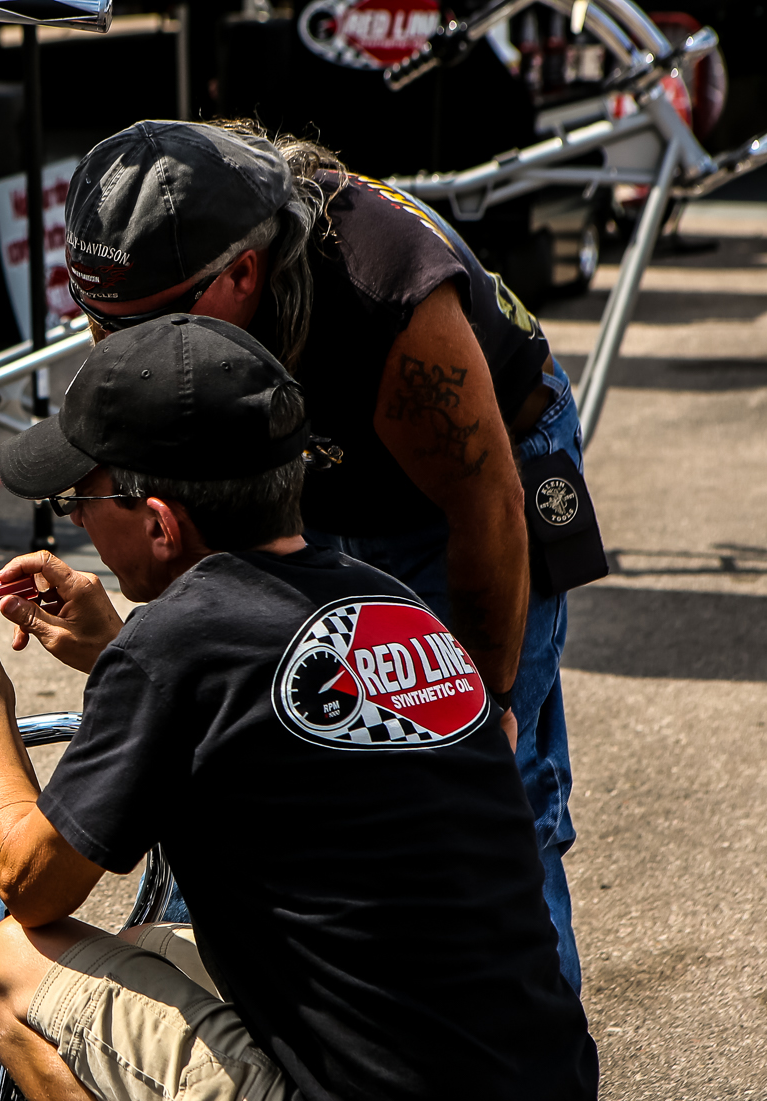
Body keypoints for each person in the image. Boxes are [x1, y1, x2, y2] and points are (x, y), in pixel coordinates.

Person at [0, 315, 619, 1101]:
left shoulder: (177, 649)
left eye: (82, 501)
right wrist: (116, 646)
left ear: (157, 522)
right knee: (154, 958)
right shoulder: (388, 606)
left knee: (11, 975)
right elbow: (257, 713)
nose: (70, 527)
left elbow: (31, 883)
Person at [41, 119, 590, 990]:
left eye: (144, 326)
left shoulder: (388, 301)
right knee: (249, 762)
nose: (121, 352)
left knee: (484, 802)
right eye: (99, 324)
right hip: (322, 462)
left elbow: (488, 511)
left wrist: (481, 706)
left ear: (244, 273)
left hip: (460, 491)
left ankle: (550, 1091)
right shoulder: (175, 250)